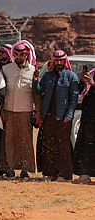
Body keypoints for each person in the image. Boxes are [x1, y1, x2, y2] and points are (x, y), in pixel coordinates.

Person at [36, 50, 79, 181]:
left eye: (61, 60)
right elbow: (39, 90)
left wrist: (69, 115)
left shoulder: (71, 76)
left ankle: (64, 174)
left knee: (63, 146)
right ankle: (50, 173)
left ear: (64, 61)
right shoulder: (48, 76)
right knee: (49, 144)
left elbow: (74, 98)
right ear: (54, 61)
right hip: (49, 116)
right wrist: (35, 81)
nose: (59, 63)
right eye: (57, 61)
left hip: (63, 117)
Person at [1, 41, 37, 178]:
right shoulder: (7, 69)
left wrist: (36, 112)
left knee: (26, 141)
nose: (19, 57)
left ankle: (25, 169)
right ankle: (9, 168)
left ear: (26, 55)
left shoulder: (33, 71)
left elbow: (36, 94)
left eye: (21, 54)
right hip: (9, 109)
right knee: (9, 141)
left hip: (26, 111)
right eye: (16, 54)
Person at [74, 68, 94, 183]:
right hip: (88, 118)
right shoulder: (92, 73)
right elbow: (81, 91)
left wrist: (93, 84)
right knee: (86, 147)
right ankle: (85, 174)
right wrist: (83, 81)